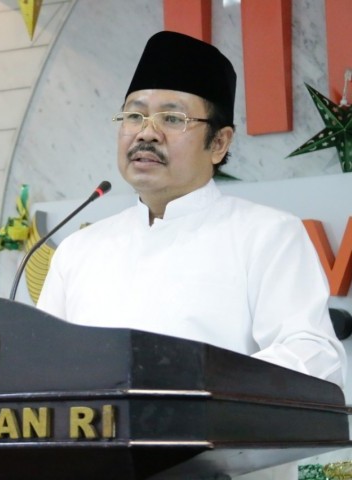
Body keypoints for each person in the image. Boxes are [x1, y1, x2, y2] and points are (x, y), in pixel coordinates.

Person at [36, 31, 346, 389]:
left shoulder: (267, 234)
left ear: (219, 143)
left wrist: (202, 384)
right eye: (134, 116)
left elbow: (313, 354)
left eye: (172, 118)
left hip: (220, 426)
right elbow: (40, 362)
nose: (146, 134)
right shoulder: (78, 250)